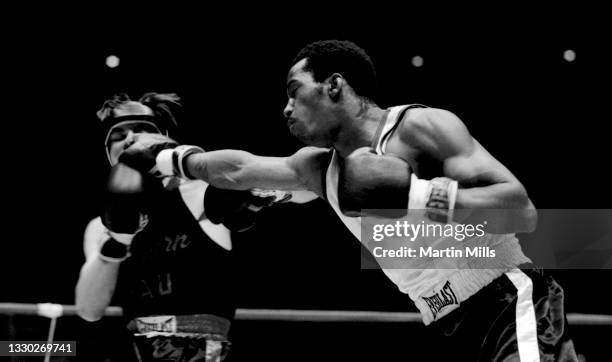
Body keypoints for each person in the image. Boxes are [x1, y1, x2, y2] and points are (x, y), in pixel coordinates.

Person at [121, 41, 580, 361]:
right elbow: (238, 169)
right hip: (443, 321)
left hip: (504, 299)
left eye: (293, 91)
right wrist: (169, 156)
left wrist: (417, 194)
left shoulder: (419, 127)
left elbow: (521, 210)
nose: (285, 108)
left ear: (334, 85)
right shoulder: (317, 169)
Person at [75, 92, 288, 362]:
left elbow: (285, 181)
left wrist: (255, 193)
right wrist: (117, 241)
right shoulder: (100, 227)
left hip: (203, 351)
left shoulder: (199, 190)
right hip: (136, 351)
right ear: (108, 152)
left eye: (142, 129)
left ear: (161, 138)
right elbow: (88, 310)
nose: (130, 138)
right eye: (118, 134)